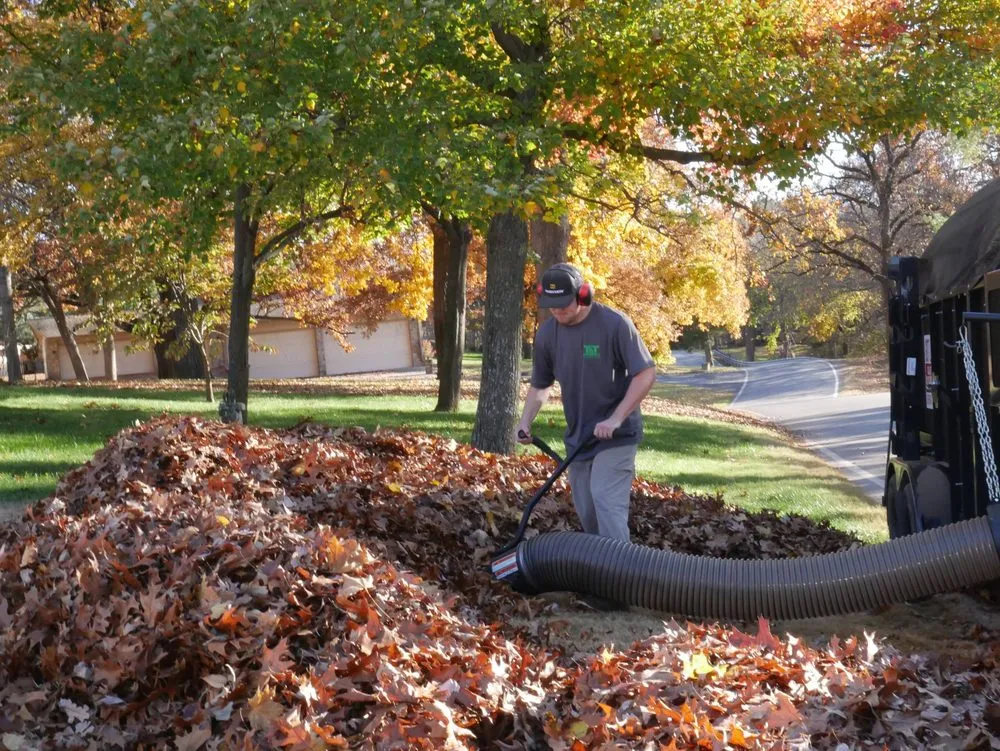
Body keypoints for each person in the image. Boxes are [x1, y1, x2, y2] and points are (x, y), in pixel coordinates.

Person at [516, 263, 657, 545]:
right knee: (588, 514)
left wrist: (616, 419)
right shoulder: (547, 334)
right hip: (579, 438)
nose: (557, 311)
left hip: (616, 435)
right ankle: (599, 577)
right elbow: (541, 385)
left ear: (583, 295)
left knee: (606, 501)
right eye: (551, 305)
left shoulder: (614, 324)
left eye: (564, 304)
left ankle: (624, 581)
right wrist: (525, 421)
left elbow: (646, 373)